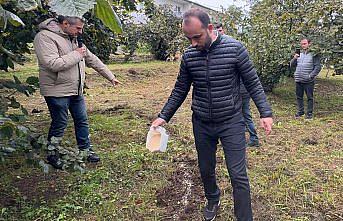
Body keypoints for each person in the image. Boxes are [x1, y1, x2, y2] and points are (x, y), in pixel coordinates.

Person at [152, 8, 273, 221]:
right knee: (206, 169)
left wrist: (265, 112)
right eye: (188, 38)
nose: (193, 43)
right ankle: (212, 198)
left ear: (210, 28)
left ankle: (244, 217)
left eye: (197, 37)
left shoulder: (235, 49)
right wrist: (164, 115)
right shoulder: (189, 56)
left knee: (238, 175)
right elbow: (181, 89)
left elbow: (253, 82)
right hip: (202, 122)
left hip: (231, 121)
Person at [33, 16, 121, 169]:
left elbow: (91, 59)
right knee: (59, 123)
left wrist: (110, 76)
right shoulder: (44, 37)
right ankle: (53, 155)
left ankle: (86, 151)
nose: (80, 32)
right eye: (78, 28)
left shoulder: (72, 37)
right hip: (56, 90)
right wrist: (77, 54)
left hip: (75, 89)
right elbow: (53, 63)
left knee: (82, 120)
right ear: (65, 24)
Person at [215, 24, 260, 147]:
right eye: (217, 31)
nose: (219, 33)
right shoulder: (223, 48)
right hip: (238, 90)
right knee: (242, 114)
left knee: (244, 114)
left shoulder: (233, 47)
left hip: (241, 90)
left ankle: (254, 138)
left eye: (220, 30)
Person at [290, 38, 321, 119]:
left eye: (304, 43)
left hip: (308, 80)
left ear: (309, 44)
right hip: (298, 79)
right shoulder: (299, 54)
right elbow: (291, 65)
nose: (303, 45)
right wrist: (294, 58)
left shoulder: (314, 54)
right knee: (299, 97)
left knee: (309, 97)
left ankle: (309, 113)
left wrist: (311, 76)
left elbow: (317, 67)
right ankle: (300, 112)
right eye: (302, 44)